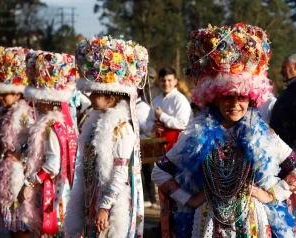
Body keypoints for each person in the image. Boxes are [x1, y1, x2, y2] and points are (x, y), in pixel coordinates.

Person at [152, 23, 296, 238]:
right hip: (207, 223)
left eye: (241, 96)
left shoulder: (264, 136)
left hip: (253, 222)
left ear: (251, 98)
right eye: (227, 96)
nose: (235, 104)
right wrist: (190, 199)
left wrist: (269, 195)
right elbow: (159, 171)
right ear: (214, 98)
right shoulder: (194, 135)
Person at [65, 36, 147, 237]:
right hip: (93, 198)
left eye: (95, 93)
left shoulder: (121, 128)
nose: (90, 97)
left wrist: (105, 206)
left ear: (110, 94)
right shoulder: (92, 122)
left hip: (109, 204)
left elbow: (119, 172)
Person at [18, 50, 78, 237]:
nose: (34, 104)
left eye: (37, 99)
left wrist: (30, 182)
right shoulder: (60, 124)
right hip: (62, 187)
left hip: (54, 190)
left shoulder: (51, 127)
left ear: (46, 100)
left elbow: (52, 165)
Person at [0, 47, 34, 238]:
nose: (0, 97)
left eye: (4, 92)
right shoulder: (3, 114)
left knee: (20, 230)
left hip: (18, 180)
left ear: (17, 93)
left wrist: (19, 156)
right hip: (4, 179)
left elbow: (35, 144)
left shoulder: (23, 115)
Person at [146, 67, 191, 151]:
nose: (166, 83)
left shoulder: (180, 99)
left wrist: (162, 116)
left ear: (175, 81)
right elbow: (147, 123)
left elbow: (183, 123)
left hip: (176, 148)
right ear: (159, 81)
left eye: (169, 80)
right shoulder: (156, 100)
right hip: (158, 148)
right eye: (163, 80)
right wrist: (153, 126)